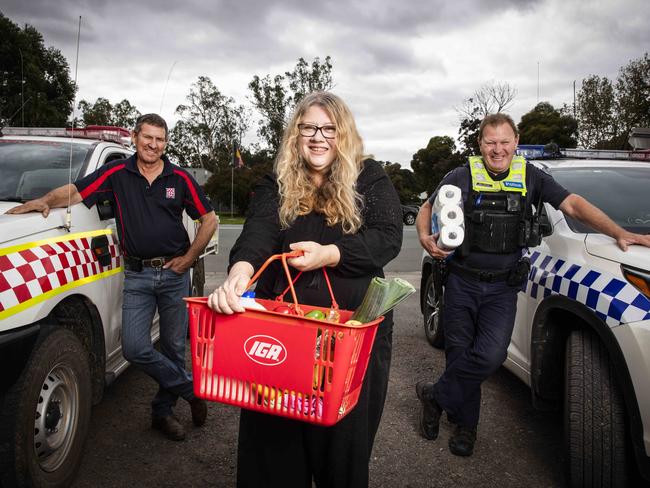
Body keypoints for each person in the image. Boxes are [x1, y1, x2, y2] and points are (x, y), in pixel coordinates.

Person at [415, 113, 650, 457]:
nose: (498, 149)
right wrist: (423, 236)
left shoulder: (531, 176)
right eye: (491, 142)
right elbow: (427, 207)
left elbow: (573, 205)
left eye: (505, 142)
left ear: (516, 141)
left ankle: (435, 397)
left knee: (491, 355)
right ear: (480, 143)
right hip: (462, 282)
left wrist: (617, 231)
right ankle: (466, 427)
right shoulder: (461, 175)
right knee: (460, 356)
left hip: (501, 288)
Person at [207, 91, 402, 487]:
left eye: (329, 129)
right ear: (296, 134)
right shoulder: (276, 181)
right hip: (283, 335)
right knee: (274, 449)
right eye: (309, 127)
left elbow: (388, 236)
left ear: (342, 133)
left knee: (341, 452)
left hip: (348, 338)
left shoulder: (369, 176)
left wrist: (330, 253)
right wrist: (239, 273)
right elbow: (257, 233)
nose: (318, 137)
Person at [7, 114, 217, 441]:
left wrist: (189, 259)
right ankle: (191, 390)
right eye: (147, 137)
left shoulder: (179, 177)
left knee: (174, 348)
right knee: (134, 347)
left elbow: (210, 219)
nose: (153, 144)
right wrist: (46, 200)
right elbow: (77, 192)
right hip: (137, 275)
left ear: (166, 143)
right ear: (135, 138)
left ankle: (163, 412)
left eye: (159, 139)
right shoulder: (117, 172)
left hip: (175, 275)